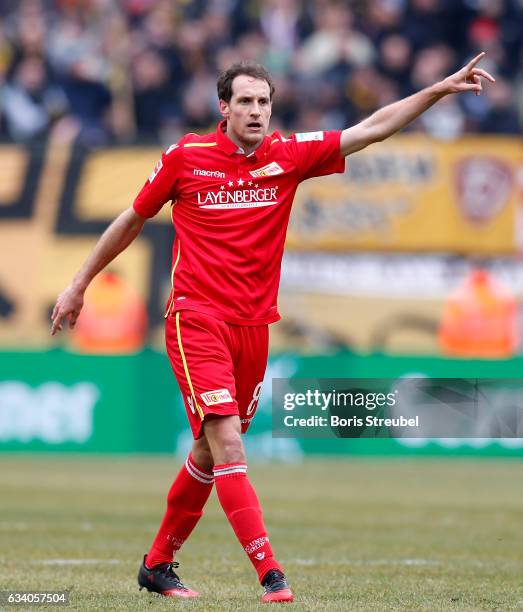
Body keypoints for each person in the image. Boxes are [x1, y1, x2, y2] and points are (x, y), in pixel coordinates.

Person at [51, 53, 494, 603]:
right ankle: (271, 574)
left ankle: (158, 564)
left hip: (254, 328)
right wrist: (78, 284)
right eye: (245, 101)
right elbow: (132, 219)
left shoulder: (288, 155)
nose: (257, 111)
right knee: (230, 444)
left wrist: (438, 89)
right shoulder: (186, 157)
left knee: (211, 454)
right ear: (223, 107)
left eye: (264, 101)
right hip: (196, 319)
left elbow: (372, 128)